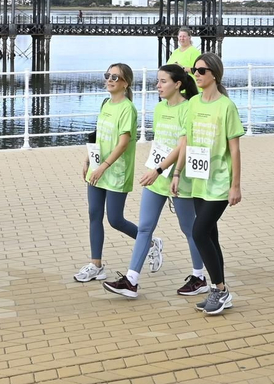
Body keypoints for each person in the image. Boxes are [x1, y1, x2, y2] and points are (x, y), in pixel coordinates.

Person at [104, 64, 207, 299]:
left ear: (178, 84)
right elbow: (160, 143)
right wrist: (155, 168)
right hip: (158, 176)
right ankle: (131, 281)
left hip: (178, 176)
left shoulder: (187, 108)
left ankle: (199, 276)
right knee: (144, 227)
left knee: (189, 229)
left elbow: (182, 144)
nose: (157, 86)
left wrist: (162, 170)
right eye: (157, 81)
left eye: (163, 81)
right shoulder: (160, 108)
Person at [158, 52, 244, 316]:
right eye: (195, 70)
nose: (196, 74)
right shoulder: (193, 103)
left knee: (198, 231)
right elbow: (186, 140)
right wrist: (176, 172)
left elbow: (236, 149)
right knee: (210, 235)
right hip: (197, 180)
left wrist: (236, 185)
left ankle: (220, 289)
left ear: (214, 75)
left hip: (219, 181)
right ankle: (220, 290)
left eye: (202, 70)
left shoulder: (226, 107)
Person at [73, 63, 139, 282]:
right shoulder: (105, 104)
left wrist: (103, 166)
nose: (110, 80)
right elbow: (99, 136)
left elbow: (123, 143)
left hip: (115, 170)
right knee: (94, 214)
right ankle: (96, 265)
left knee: (115, 219)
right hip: (97, 167)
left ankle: (147, 241)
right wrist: (88, 160)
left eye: (115, 77)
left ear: (125, 83)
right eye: (107, 76)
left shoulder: (127, 109)